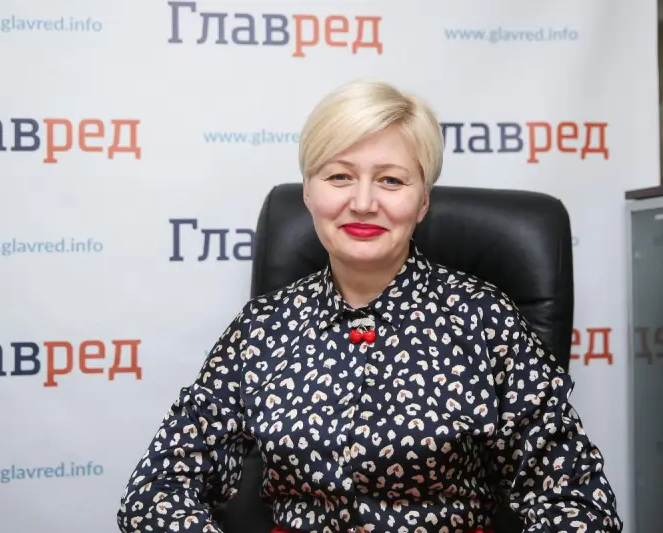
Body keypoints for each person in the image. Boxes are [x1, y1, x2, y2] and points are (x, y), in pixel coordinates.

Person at [116, 80, 622, 533]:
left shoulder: (485, 320)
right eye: (339, 177)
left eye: (391, 181)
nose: (362, 202)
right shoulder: (262, 327)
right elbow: (157, 490)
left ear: (423, 201)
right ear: (308, 194)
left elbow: (577, 503)